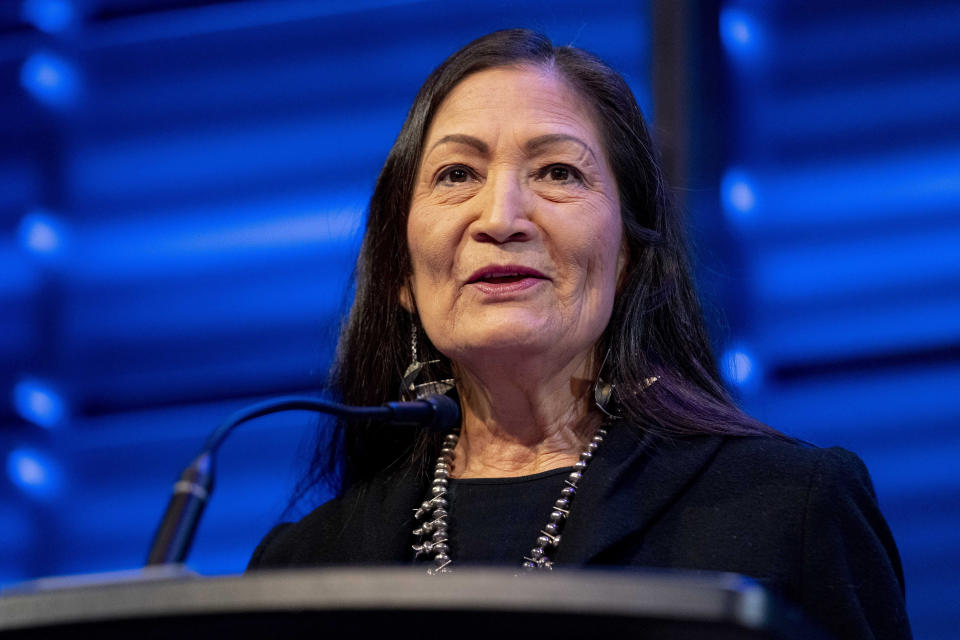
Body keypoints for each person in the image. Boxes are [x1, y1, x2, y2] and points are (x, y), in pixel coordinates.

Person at [248, 29, 911, 639]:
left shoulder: (790, 510)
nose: (501, 217)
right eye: (457, 175)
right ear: (400, 270)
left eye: (557, 172)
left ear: (628, 255)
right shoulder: (301, 569)